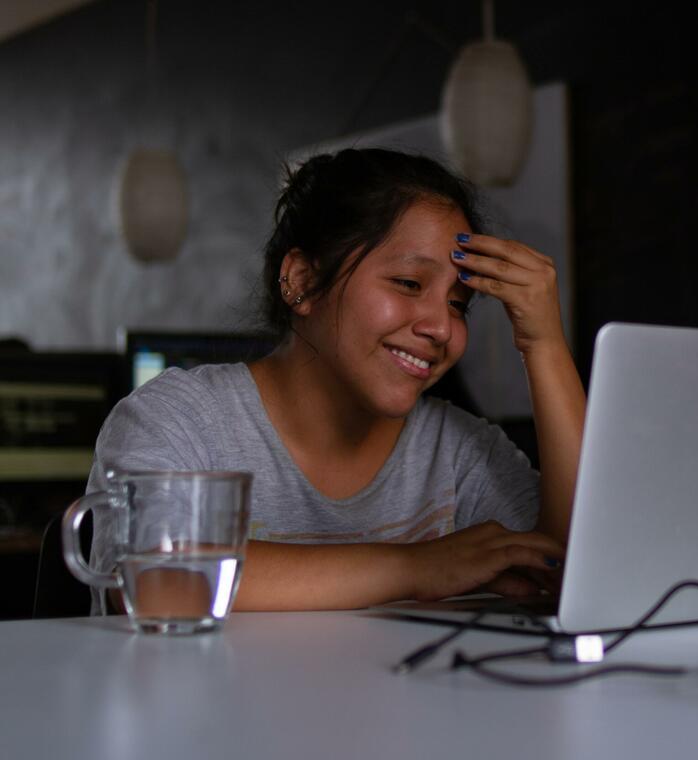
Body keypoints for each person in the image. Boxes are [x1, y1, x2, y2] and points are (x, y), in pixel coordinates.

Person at [88, 148, 586, 613]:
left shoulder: (459, 452)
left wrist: (543, 343)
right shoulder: (177, 419)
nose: (441, 327)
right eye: (408, 283)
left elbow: (576, 571)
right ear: (302, 281)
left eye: (458, 305)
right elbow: (153, 581)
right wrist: (416, 567)